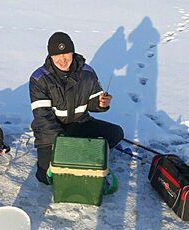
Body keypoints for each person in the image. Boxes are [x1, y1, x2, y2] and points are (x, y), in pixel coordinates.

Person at [29, 32, 124, 185]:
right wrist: (63, 145)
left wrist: (101, 103)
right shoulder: (39, 78)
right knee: (45, 177)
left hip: (80, 124)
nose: (62, 59)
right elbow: (43, 118)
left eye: (66, 53)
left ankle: (82, 151)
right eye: (57, 55)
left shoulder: (87, 72)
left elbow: (92, 102)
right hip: (51, 132)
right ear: (50, 56)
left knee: (116, 133)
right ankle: (80, 151)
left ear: (72, 52)